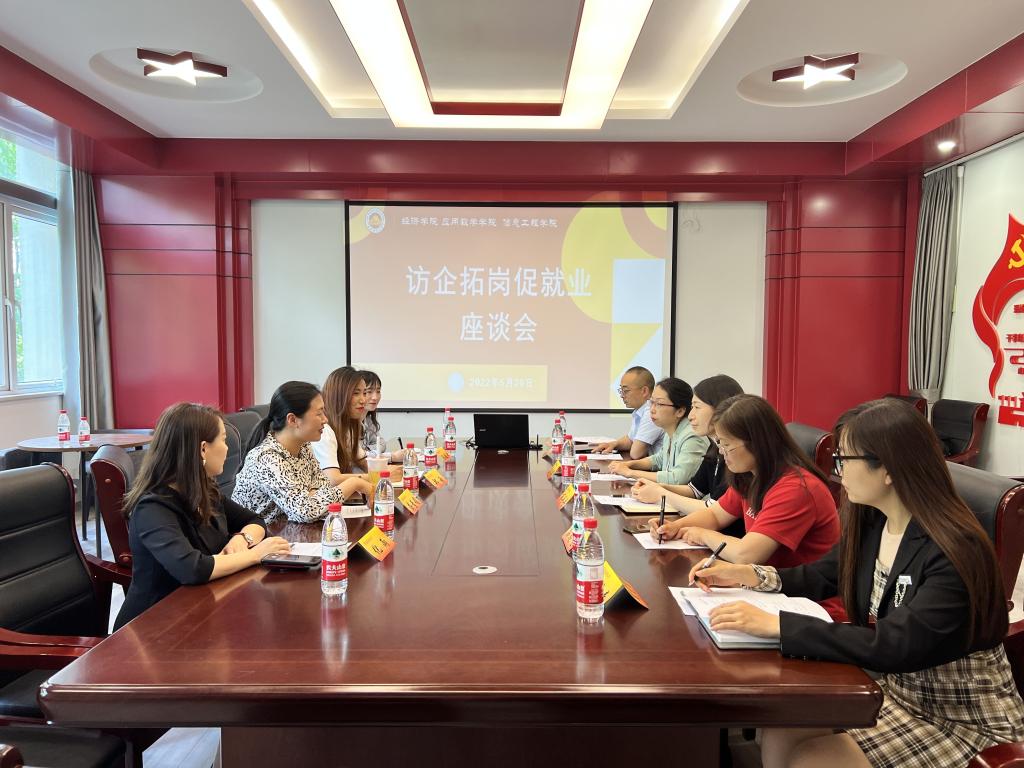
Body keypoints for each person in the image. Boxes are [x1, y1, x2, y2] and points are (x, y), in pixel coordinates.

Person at [690, 398, 1024, 768]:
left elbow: (895, 644)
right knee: (784, 724)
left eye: (845, 460)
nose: (838, 472)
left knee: (812, 758)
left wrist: (778, 626)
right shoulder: (874, 522)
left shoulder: (955, 548)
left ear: (889, 469)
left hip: (961, 720)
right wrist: (750, 576)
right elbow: (821, 575)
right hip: (896, 693)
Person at [114, 403, 292, 629]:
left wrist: (242, 539)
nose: (227, 448)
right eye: (224, 440)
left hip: (200, 609)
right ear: (203, 449)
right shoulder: (153, 508)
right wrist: (255, 555)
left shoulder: (205, 490)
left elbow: (254, 521)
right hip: (153, 627)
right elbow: (192, 568)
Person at [648, 394, 839, 569]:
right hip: (762, 581)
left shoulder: (796, 489)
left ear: (756, 443)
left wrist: (703, 535)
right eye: (719, 442)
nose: (721, 451)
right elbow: (715, 515)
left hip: (798, 592)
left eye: (726, 444)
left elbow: (746, 555)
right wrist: (675, 527)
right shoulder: (749, 475)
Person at [232, 381, 370, 524]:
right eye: (319, 413)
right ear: (293, 420)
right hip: (256, 535)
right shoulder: (266, 458)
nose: (325, 419)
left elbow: (322, 488)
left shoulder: (303, 447)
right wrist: (354, 483)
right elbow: (305, 511)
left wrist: (313, 498)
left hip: (288, 529)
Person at [630, 374, 744, 516]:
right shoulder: (715, 448)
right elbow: (694, 490)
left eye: (697, 407)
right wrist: (655, 487)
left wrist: (660, 493)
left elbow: (715, 510)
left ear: (721, 409)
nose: (690, 416)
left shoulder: (736, 456)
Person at [606, 377, 708, 485]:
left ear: (680, 411)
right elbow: (658, 459)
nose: (652, 410)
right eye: (651, 402)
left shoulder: (692, 437)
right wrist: (629, 464)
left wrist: (630, 473)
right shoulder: (671, 430)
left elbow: (677, 478)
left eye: (659, 404)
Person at [313, 366, 370, 485]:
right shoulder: (324, 430)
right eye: (356, 393)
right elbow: (333, 479)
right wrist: (377, 476)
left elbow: (362, 461)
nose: (363, 400)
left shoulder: (348, 427)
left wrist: (387, 470)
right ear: (338, 396)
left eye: (364, 393)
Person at [593, 366, 664, 459]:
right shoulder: (640, 411)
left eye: (626, 391)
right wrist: (613, 444)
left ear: (644, 391)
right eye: (621, 391)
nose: (622, 396)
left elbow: (636, 453)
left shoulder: (651, 412)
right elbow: (630, 439)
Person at [359, 368, 403, 462]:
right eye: (369, 392)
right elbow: (358, 457)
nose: (375, 397)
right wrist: (392, 457)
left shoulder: (368, 419)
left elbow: (382, 444)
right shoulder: (349, 422)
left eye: (378, 391)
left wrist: (367, 450)